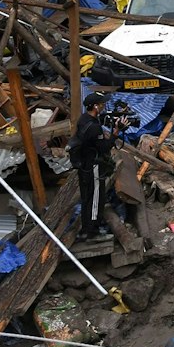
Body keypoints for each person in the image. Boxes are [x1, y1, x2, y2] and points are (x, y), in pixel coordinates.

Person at [72, 91, 111, 238]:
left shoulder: (83, 120)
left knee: (86, 198)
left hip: (84, 165)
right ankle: (92, 231)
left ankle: (86, 228)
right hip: (93, 165)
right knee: (95, 198)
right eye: (101, 104)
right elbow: (104, 148)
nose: (103, 106)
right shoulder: (94, 127)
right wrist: (116, 133)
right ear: (95, 106)